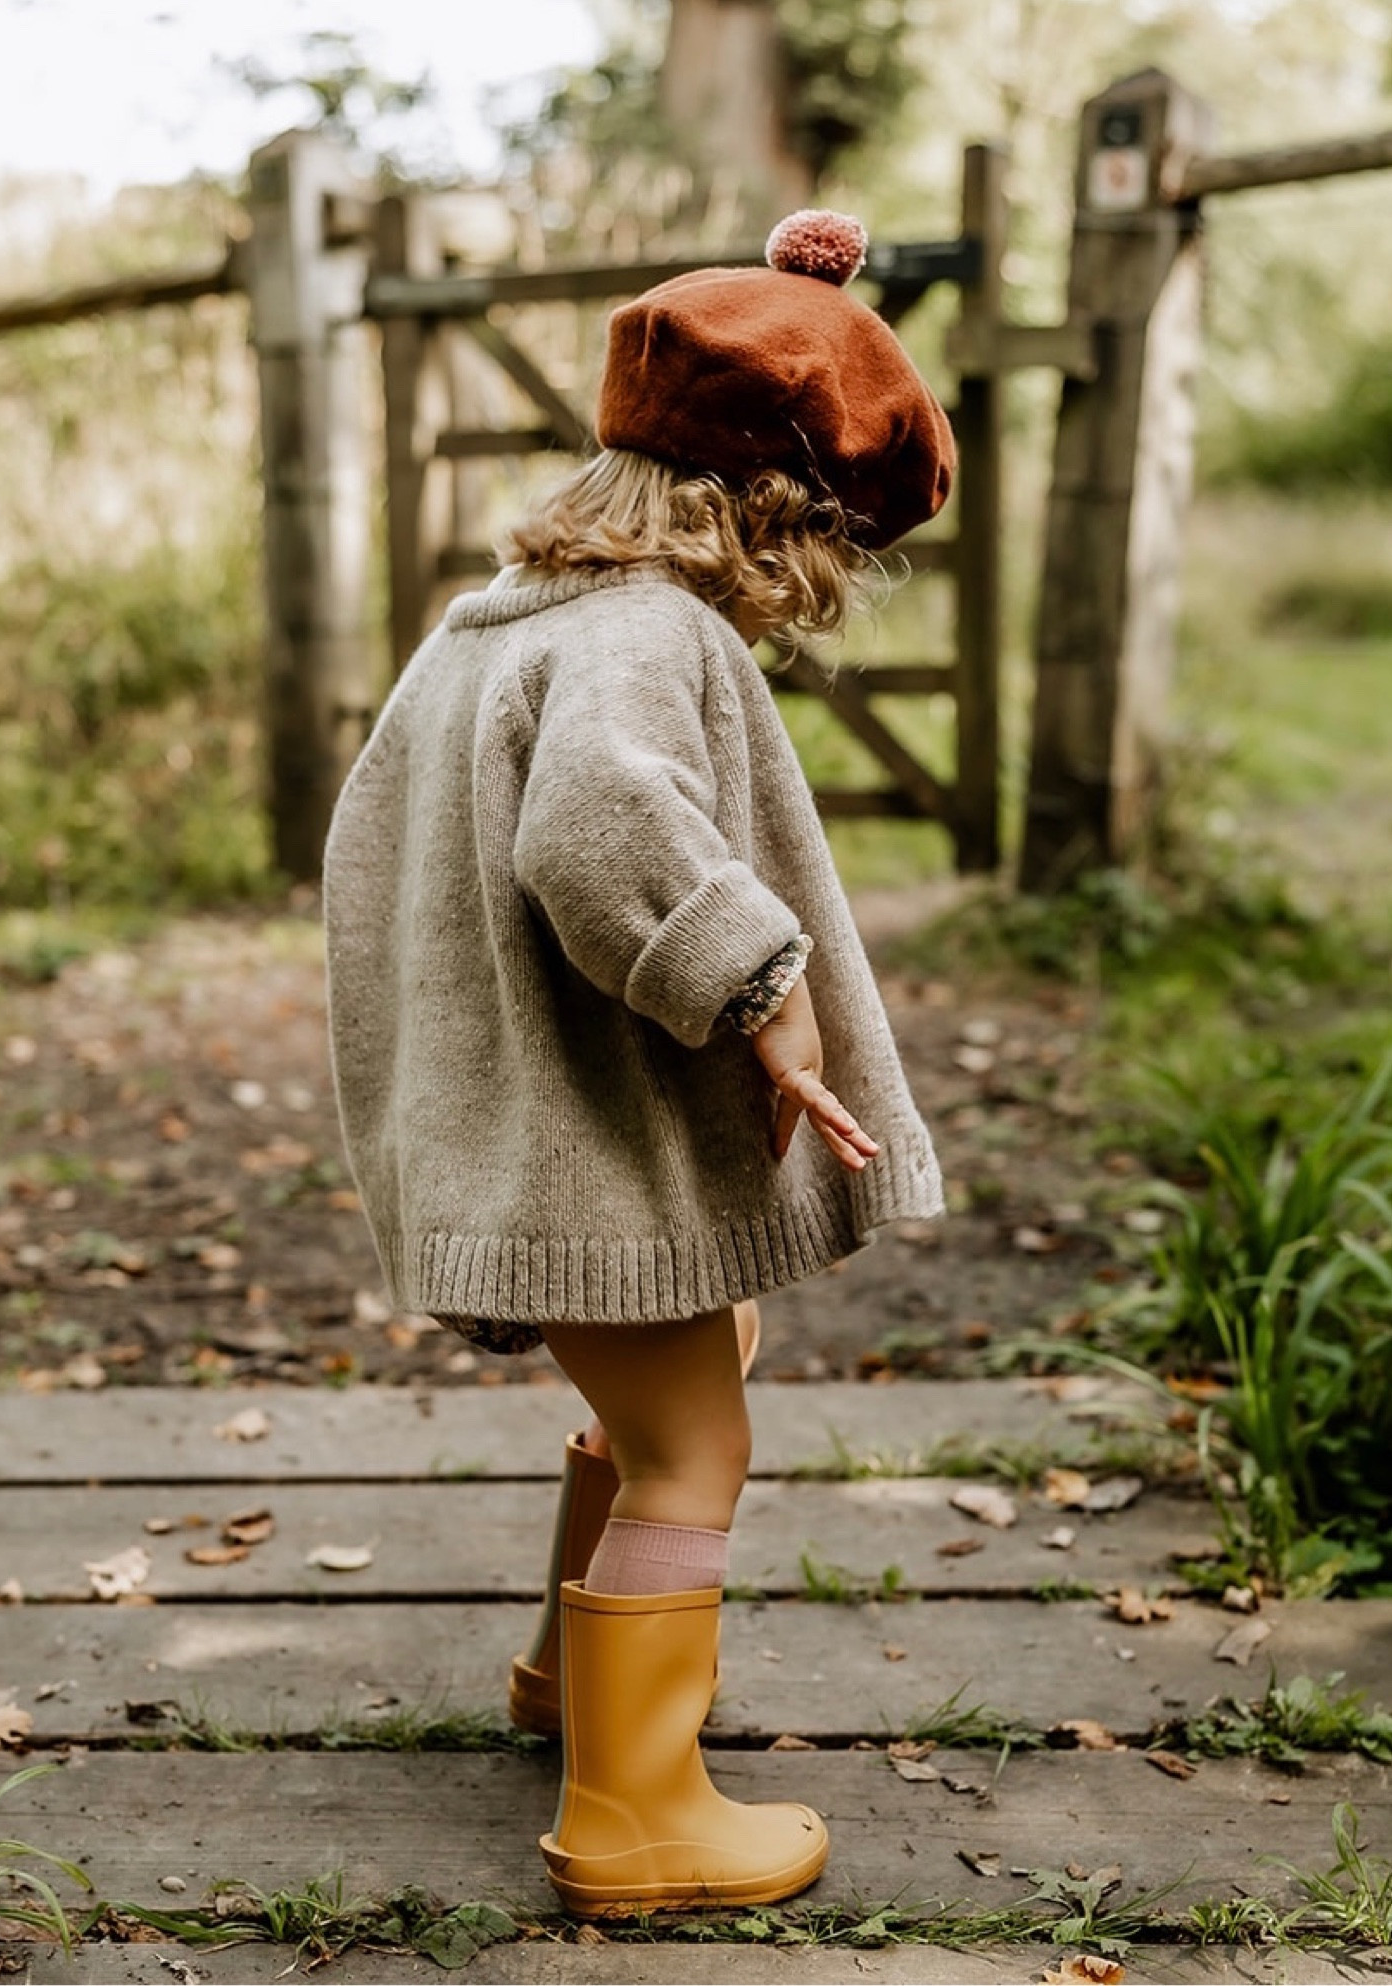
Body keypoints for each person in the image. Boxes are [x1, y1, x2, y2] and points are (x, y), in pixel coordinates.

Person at [323, 209, 954, 1918]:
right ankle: (635, 1812)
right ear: (768, 509)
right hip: (577, 1136)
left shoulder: (494, 628)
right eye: (826, 543)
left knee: (683, 1370)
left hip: (518, 1120)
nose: (810, 591)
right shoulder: (644, 638)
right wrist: (766, 987)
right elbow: (603, 829)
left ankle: (568, 1679)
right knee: (696, 1448)